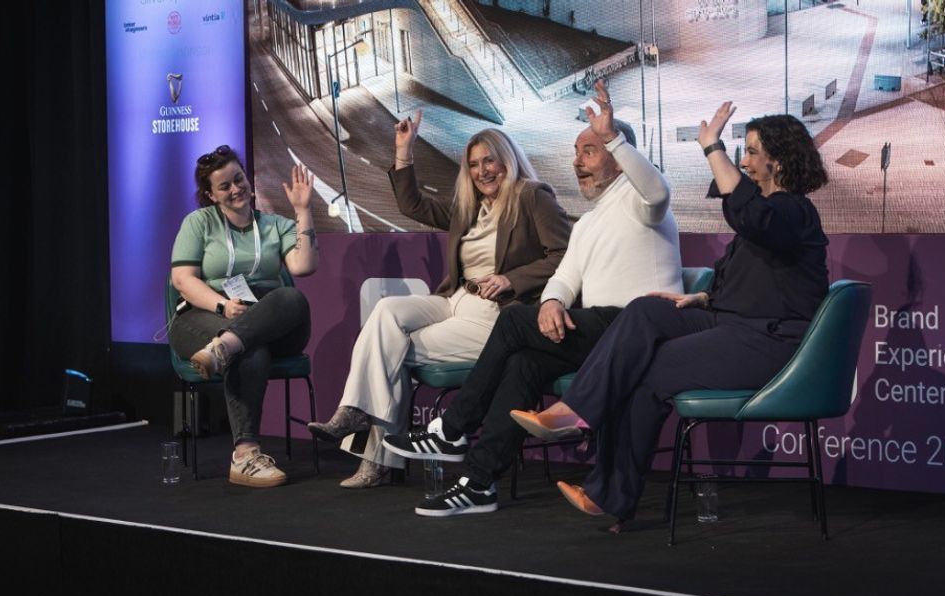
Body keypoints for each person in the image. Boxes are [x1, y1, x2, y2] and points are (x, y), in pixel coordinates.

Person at [513, 103, 830, 525]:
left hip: (769, 343)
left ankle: (609, 490)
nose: (746, 161)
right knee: (646, 309)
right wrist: (702, 298)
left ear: (779, 158)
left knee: (651, 368)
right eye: (744, 151)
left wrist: (712, 148)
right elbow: (752, 275)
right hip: (731, 323)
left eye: (753, 152)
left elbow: (749, 215)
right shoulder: (774, 216)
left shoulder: (794, 211)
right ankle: (577, 416)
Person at [382, 79, 683, 516]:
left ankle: (451, 428)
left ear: (619, 161)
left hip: (636, 329)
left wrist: (613, 136)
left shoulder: (643, 204)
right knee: (523, 363)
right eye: (577, 152)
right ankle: (479, 483)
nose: (577, 162)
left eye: (589, 151)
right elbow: (564, 274)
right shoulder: (589, 221)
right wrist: (552, 302)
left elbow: (657, 189)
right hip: (597, 335)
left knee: (512, 320)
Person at [307, 112, 571, 488]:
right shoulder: (469, 204)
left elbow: (563, 254)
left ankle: (376, 455)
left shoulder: (532, 195)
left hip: (496, 316)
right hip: (454, 299)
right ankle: (355, 415)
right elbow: (412, 206)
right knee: (385, 313)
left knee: (387, 350)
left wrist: (510, 278)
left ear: (507, 160)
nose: (482, 171)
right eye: (474, 164)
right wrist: (403, 151)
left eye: (489, 161)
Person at [169, 145, 318, 488]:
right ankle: (246, 456)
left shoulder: (275, 225)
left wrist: (303, 211)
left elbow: (304, 266)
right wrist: (222, 306)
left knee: (292, 297)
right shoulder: (199, 223)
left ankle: (224, 348)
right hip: (205, 315)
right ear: (210, 194)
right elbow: (183, 279)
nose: (236, 189)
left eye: (239, 179)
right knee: (251, 349)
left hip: (271, 319)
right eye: (224, 186)